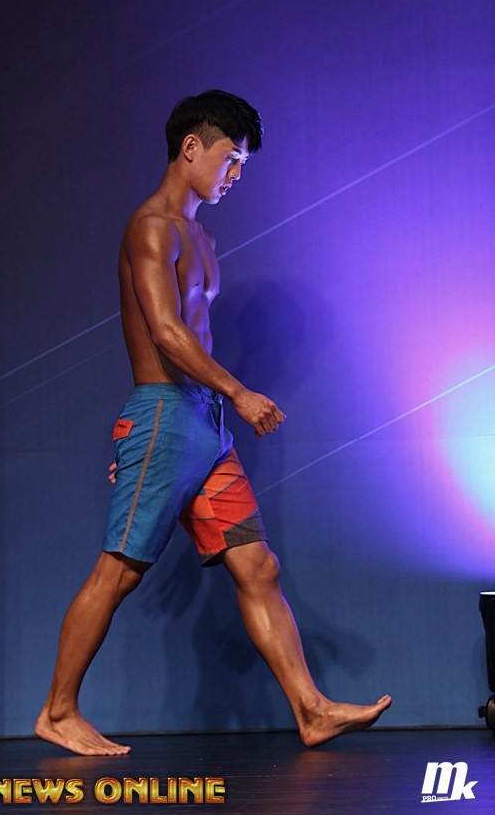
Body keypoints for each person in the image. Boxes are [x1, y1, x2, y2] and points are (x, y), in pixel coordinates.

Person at [35, 90, 391, 756]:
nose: (235, 174)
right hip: (166, 417)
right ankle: (58, 711)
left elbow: (190, 334)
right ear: (191, 146)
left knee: (258, 566)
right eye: (231, 158)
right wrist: (238, 392)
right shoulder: (151, 228)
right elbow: (167, 334)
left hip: (203, 425)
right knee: (119, 572)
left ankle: (311, 709)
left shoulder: (200, 235)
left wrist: (220, 403)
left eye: (242, 164)